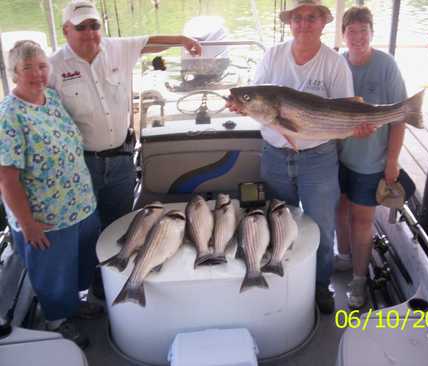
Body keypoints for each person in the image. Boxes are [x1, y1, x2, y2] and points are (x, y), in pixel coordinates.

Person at [49, 0, 201, 299]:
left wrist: (182, 40)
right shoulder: (53, 66)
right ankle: (92, 283)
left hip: (121, 159)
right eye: (81, 27)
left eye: (94, 25)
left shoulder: (116, 47)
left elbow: (150, 42)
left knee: (120, 224)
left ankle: (118, 277)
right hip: (80, 164)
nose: (90, 32)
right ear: (66, 30)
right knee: (86, 229)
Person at [228, 0, 355, 314]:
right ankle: (281, 278)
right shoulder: (273, 56)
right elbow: (255, 100)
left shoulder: (334, 63)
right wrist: (241, 104)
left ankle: (319, 286)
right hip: (274, 156)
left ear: (323, 22)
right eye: (297, 18)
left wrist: (358, 126)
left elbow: (348, 108)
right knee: (277, 222)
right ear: (290, 23)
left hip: (319, 158)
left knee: (323, 229)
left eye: (311, 17)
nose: (304, 23)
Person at [0, 40, 102, 348]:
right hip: (46, 217)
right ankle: (57, 318)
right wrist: (28, 224)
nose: (37, 73)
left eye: (42, 66)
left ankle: (78, 302)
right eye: (27, 68)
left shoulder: (52, 98)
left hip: (80, 205)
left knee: (83, 262)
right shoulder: (9, 114)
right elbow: (6, 178)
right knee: (53, 273)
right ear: (14, 72)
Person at [335, 6, 407, 308]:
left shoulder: (386, 65)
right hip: (336, 156)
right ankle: (344, 257)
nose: (358, 36)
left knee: (362, 220)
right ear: (343, 34)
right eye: (352, 30)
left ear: (371, 33)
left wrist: (392, 160)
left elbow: (400, 115)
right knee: (338, 210)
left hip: (370, 161)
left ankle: (359, 280)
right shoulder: (337, 64)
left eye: (364, 30)